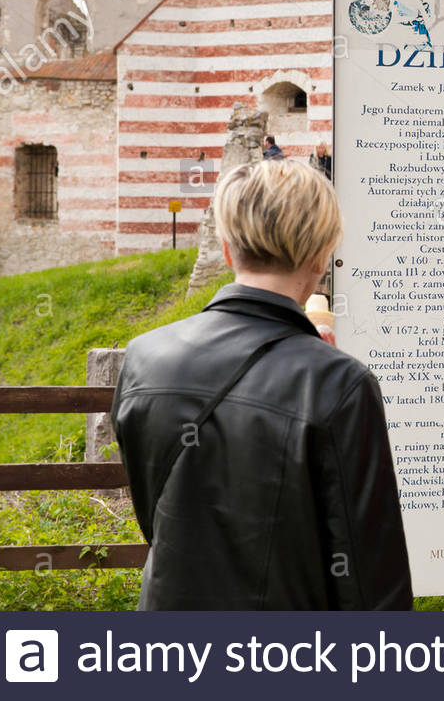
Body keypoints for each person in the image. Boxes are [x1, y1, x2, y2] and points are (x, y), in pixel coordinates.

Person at [112, 159, 413, 609]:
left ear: (228, 249)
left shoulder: (143, 357)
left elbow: (158, 516)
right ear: (321, 254)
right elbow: (370, 575)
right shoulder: (339, 383)